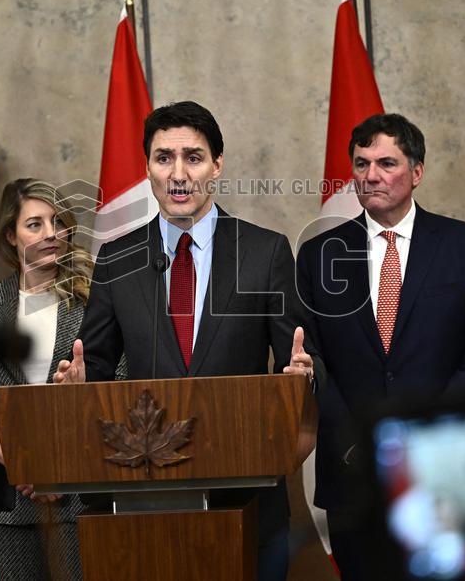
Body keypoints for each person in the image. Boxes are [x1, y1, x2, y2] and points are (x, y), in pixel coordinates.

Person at [54, 100, 324, 581]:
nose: (178, 174)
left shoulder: (264, 251)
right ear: (148, 168)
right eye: (164, 158)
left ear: (217, 165)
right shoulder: (118, 259)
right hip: (145, 502)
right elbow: (92, 362)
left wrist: (302, 377)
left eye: (193, 157)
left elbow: (299, 359)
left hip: (248, 498)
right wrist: (79, 382)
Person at [296, 113, 465, 579]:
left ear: (417, 172)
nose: (371, 175)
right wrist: (360, 442)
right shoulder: (318, 255)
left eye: (386, 163)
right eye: (361, 163)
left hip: (445, 468)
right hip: (352, 473)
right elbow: (314, 363)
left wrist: (424, 438)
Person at [0, 178, 100, 580]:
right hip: (4, 495)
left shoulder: (95, 301)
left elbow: (120, 382)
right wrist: (25, 462)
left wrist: (86, 390)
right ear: (10, 236)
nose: (51, 233)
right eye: (35, 224)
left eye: (58, 222)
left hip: (79, 493)